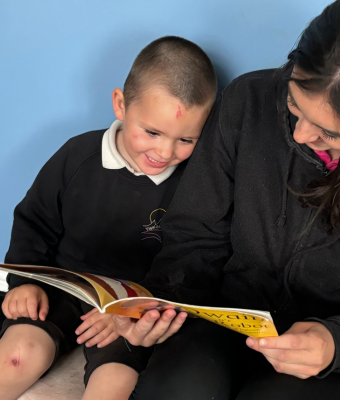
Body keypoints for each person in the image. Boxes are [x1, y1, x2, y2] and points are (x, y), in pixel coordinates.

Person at [115, 0, 340, 399]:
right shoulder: (247, 102)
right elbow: (193, 235)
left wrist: (336, 345)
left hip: (326, 352)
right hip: (222, 319)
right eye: (294, 105)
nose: (299, 135)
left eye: (329, 133)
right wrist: (162, 302)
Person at [0, 36, 216, 400]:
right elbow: (34, 220)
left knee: (115, 384)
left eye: (186, 140)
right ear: (120, 104)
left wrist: (132, 315)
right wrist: (23, 281)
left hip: (130, 311)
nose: (164, 151)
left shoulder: (195, 185)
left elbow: (187, 263)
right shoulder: (77, 155)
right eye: (152, 132)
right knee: (17, 356)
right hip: (60, 288)